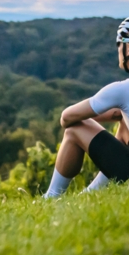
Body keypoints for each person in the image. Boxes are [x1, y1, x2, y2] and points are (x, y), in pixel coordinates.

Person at [44, 18, 129, 198]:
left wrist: (110, 114)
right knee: (124, 128)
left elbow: (66, 117)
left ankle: (51, 197)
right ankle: (90, 193)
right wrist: (119, 114)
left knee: (74, 129)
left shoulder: (121, 90)